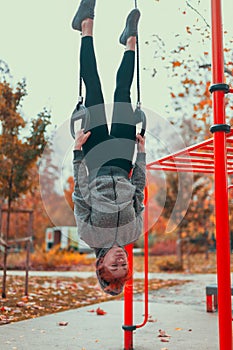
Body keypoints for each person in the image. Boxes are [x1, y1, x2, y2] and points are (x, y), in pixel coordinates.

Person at [71, 0, 146, 295]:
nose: (121, 261)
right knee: (123, 94)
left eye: (114, 267)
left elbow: (81, 193)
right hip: (125, 159)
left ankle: (85, 25)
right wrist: (141, 155)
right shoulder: (134, 232)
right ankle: (130, 40)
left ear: (99, 265)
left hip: (98, 157)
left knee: (95, 88)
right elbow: (138, 191)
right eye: (124, 267)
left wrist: (78, 152)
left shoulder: (89, 235)